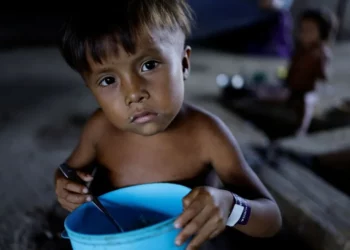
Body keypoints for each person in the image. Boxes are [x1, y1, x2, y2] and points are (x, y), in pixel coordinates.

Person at [54, 1, 282, 249]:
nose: (134, 94)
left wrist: (232, 207)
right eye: (108, 80)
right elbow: (68, 172)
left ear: (184, 64)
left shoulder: (207, 135)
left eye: (148, 65)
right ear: (90, 89)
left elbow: (271, 219)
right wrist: (67, 188)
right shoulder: (99, 129)